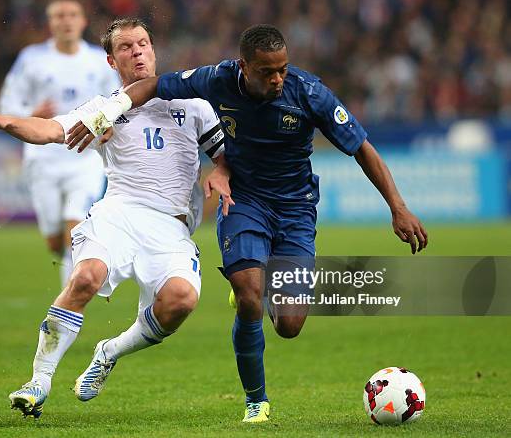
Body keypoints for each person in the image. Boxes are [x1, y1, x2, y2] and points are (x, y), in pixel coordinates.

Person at [65, 24, 429, 423]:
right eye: (267, 72)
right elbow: (152, 86)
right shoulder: (217, 79)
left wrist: (397, 207)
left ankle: (258, 286)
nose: (277, 79)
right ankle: (256, 401)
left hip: (295, 210)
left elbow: (361, 148)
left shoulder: (309, 93)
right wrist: (108, 111)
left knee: (289, 325)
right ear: (245, 67)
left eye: (283, 70)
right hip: (244, 200)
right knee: (249, 294)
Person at [0, 17, 232, 418]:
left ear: (153, 49)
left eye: (143, 43)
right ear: (112, 61)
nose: (138, 52)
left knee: (181, 300)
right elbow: (49, 129)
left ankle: (110, 351)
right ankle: (39, 380)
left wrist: (222, 170)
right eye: (126, 47)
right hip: (120, 212)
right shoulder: (103, 110)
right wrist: (3, 121)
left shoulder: (193, 104)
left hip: (173, 225)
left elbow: (226, 156)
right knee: (87, 275)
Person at [0, 0, 120, 287]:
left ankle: (68, 305)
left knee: (75, 228)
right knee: (55, 240)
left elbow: (117, 100)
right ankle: (68, 272)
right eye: (59, 15)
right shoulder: (31, 58)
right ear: (50, 23)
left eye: (72, 14)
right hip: (43, 158)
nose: (66, 20)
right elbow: (7, 105)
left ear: (83, 21)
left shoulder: (98, 60)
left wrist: (108, 125)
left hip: (85, 157)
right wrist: (30, 114)